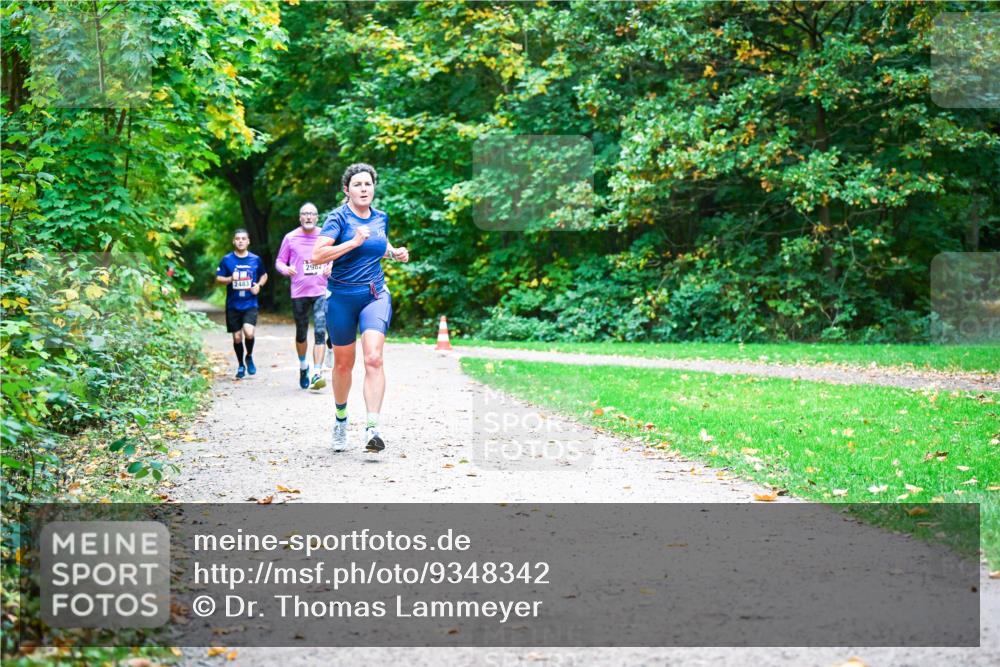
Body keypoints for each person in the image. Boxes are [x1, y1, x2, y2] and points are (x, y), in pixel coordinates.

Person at [312, 163, 409, 452]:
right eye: (357, 185)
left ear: (373, 188)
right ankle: (341, 419)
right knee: (343, 364)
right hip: (341, 297)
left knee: (374, 358)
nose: (364, 189)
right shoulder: (337, 218)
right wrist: (353, 242)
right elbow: (318, 255)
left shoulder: (381, 218)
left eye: (368, 184)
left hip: (374, 295)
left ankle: (372, 429)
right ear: (347, 190)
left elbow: (380, 242)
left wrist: (393, 252)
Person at [276, 202, 333, 391]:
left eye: (312, 214)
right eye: (305, 214)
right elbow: (279, 261)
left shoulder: (325, 235)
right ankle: (303, 366)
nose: (308, 217)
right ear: (300, 217)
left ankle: (317, 372)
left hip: (320, 291)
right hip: (299, 293)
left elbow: (335, 255)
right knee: (301, 333)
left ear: (317, 217)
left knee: (319, 330)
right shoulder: (290, 238)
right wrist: (286, 269)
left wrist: (330, 265)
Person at [216, 229, 268, 379]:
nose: (240, 241)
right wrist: (230, 279)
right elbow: (218, 278)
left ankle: (249, 356)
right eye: (237, 238)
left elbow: (264, 275)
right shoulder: (227, 260)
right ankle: (240, 364)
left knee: (249, 332)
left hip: (250, 303)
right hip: (233, 304)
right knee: (237, 338)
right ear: (234, 241)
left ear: (248, 241)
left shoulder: (255, 259)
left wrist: (258, 285)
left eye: (243, 238)